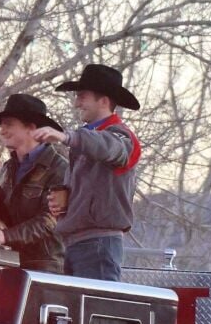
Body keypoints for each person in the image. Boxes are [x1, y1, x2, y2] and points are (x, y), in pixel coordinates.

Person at [30, 64, 142, 281]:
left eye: (82, 96)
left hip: (99, 244)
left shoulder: (121, 136)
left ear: (103, 101)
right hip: (77, 243)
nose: (76, 103)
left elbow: (111, 148)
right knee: (77, 312)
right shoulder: (88, 139)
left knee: (96, 312)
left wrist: (66, 137)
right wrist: (68, 201)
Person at [0, 93, 69, 272]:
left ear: (31, 128)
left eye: (9, 124)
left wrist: (5, 236)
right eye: (2, 125)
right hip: (6, 263)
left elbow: (50, 221)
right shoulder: (5, 169)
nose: (2, 130)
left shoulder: (60, 168)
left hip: (43, 268)